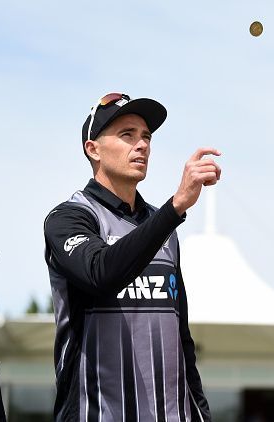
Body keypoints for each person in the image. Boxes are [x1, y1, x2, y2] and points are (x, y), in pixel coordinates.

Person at [44, 93, 220, 421]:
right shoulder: (69, 218)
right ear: (92, 148)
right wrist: (175, 206)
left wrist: (201, 413)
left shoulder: (164, 225)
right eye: (127, 135)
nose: (141, 145)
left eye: (146, 137)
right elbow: (100, 273)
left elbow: (182, 338)